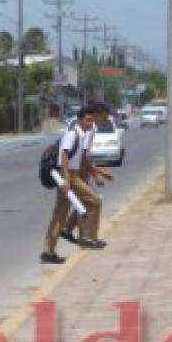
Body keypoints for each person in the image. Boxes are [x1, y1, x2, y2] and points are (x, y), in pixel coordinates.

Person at [61, 102, 115, 249]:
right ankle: (87, 237)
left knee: (85, 202)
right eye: (104, 115)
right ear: (97, 113)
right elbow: (84, 156)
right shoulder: (90, 128)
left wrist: (99, 172)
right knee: (92, 201)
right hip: (77, 171)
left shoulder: (90, 128)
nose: (106, 119)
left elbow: (84, 156)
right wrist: (97, 174)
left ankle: (71, 230)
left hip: (79, 170)